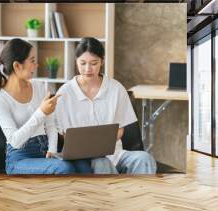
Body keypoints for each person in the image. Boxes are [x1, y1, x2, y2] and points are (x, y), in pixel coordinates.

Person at [0, 38, 91, 175]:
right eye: (32, 61)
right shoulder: (0, 100)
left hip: (44, 150)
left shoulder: (39, 86)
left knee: (84, 165)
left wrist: (52, 150)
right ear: (17, 66)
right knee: (63, 168)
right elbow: (15, 141)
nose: (37, 65)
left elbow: (50, 125)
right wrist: (41, 112)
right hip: (20, 158)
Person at [55, 37, 157, 174]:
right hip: (82, 159)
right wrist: (87, 146)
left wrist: (102, 144)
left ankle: (139, 195)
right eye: (83, 63)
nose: (88, 69)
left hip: (116, 154)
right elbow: (63, 134)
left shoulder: (116, 89)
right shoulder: (65, 93)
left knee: (144, 159)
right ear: (76, 62)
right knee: (101, 162)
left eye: (94, 63)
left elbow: (121, 130)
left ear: (102, 61)